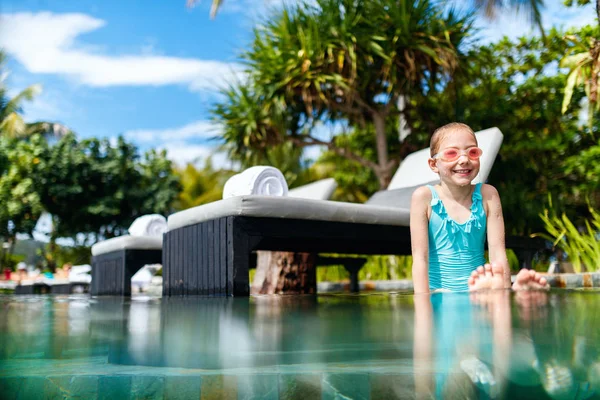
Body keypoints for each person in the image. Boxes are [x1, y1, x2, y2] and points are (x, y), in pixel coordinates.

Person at [410, 122, 549, 293]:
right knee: (445, 293)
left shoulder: (487, 195)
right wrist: (423, 301)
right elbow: (419, 258)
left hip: (479, 293)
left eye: (472, 152)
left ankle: (513, 291)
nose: (464, 160)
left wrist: (504, 293)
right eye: (452, 153)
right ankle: (500, 290)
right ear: (433, 164)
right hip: (439, 292)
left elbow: (498, 255)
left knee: (493, 288)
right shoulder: (424, 197)